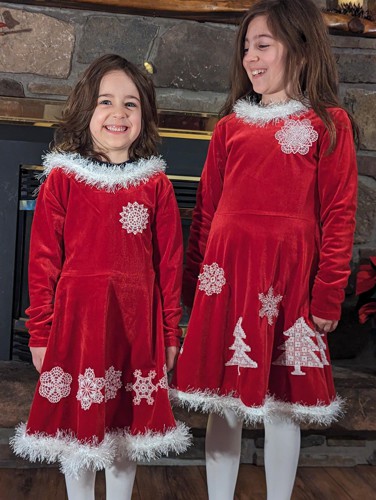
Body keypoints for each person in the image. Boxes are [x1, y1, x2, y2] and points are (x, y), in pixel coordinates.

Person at [170, 0, 358, 498]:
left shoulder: (327, 125)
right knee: (223, 401)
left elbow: (339, 214)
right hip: (226, 280)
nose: (251, 58)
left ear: (298, 48)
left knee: (282, 405)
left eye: (263, 46)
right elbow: (206, 213)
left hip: (288, 283)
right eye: (246, 47)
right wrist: (194, 286)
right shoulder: (230, 128)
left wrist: (328, 295)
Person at [11, 54, 190, 500]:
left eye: (130, 104)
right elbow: (43, 261)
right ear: (86, 109)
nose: (118, 114)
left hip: (135, 328)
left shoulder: (156, 187)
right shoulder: (63, 181)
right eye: (106, 102)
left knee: (125, 432)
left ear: (145, 115)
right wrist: (40, 330)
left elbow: (169, 265)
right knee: (80, 431)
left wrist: (170, 332)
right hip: (79, 327)